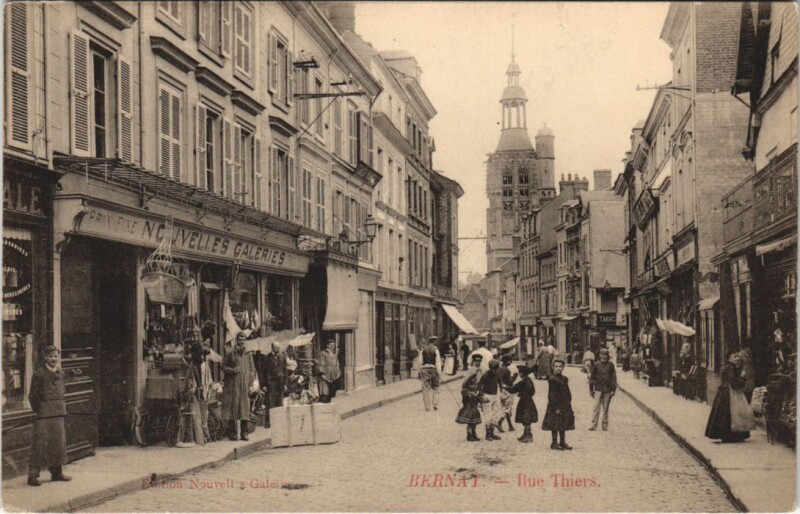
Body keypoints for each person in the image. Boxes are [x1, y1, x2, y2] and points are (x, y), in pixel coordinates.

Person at [27, 346, 71, 486]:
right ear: (45, 357)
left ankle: (56, 473)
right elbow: (33, 396)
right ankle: (33, 476)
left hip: (58, 412)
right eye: (50, 356)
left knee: (58, 444)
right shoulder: (39, 374)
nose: (53, 359)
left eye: (56, 356)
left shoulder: (61, 373)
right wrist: (40, 410)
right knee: (40, 445)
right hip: (44, 414)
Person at [706, 349, 753, 443]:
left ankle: (732, 435)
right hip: (729, 392)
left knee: (727, 414)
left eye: (737, 356)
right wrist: (742, 377)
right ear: (729, 358)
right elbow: (734, 382)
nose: (737, 358)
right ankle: (730, 436)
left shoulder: (728, 366)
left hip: (724, 391)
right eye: (734, 356)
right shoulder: (729, 368)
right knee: (730, 413)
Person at [222, 333, 256, 441]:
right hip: (233, 385)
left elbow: (252, 370)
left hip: (244, 385)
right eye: (240, 340)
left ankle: (244, 433)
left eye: (243, 340)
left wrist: (251, 384)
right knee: (233, 409)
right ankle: (233, 433)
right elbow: (223, 366)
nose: (241, 342)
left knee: (244, 409)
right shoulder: (230, 352)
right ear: (236, 340)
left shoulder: (248, 354)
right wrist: (232, 370)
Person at [542, 359, 574, 450]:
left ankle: (562, 442)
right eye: (556, 367)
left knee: (563, 423)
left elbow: (567, 391)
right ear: (553, 367)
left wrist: (568, 402)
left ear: (563, 367)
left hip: (564, 404)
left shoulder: (565, 378)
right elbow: (551, 394)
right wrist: (556, 407)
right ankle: (554, 442)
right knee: (555, 423)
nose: (558, 368)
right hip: (555, 405)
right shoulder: (552, 379)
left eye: (560, 366)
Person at [505, 365, 538, 443]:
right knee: (527, 418)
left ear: (522, 373)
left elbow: (513, 389)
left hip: (524, 402)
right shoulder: (529, 380)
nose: (519, 374)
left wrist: (505, 387)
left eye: (520, 372)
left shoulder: (522, 382)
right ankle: (525, 434)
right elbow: (533, 391)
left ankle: (528, 436)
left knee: (526, 418)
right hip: (529, 401)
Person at [456, 355, 485, 441]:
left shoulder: (480, 371)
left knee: (475, 415)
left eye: (479, 361)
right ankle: (469, 435)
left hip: (475, 396)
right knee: (470, 416)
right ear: (473, 362)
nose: (478, 363)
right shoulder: (471, 371)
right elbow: (464, 384)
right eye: (477, 361)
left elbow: (479, 384)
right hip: (469, 397)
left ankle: (474, 433)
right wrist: (468, 393)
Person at [589, 348, 617, 431]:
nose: (604, 357)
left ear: (608, 356)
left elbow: (613, 378)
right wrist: (591, 389)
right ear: (599, 355)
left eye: (605, 355)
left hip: (608, 389)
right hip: (598, 388)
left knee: (605, 408)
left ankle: (604, 425)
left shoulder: (611, 365)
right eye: (602, 354)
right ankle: (593, 424)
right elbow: (592, 377)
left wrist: (613, 389)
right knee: (596, 407)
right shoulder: (596, 365)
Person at [261, 341, 288, 427]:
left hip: (280, 383)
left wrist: (285, 384)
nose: (278, 349)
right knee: (270, 403)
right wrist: (263, 385)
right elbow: (262, 372)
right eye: (277, 348)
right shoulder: (266, 358)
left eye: (279, 348)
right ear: (272, 348)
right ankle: (268, 422)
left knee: (279, 402)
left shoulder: (282, 358)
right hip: (270, 384)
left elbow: (286, 371)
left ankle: (279, 421)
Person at [479, 359, 503, 441]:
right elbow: (479, 386)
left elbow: (500, 383)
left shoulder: (497, 374)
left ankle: (492, 432)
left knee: (496, 414)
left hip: (495, 395)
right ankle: (488, 434)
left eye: (496, 369)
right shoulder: (485, 375)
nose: (494, 371)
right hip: (487, 396)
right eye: (493, 369)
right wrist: (482, 396)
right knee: (488, 415)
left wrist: (502, 389)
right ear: (490, 368)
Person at [496, 354, 517, 432]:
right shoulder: (506, 370)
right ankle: (499, 422)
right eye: (510, 360)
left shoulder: (499, 369)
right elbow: (510, 382)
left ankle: (510, 426)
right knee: (508, 408)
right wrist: (514, 376)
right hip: (507, 390)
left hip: (501, 389)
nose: (511, 362)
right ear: (508, 361)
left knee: (505, 408)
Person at [419, 338, 441, 411]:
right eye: (436, 341)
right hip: (433, 369)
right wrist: (439, 372)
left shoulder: (423, 350)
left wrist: (420, 371)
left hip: (424, 369)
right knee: (436, 387)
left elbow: (420, 361)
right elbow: (438, 362)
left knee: (425, 388)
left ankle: (427, 407)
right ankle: (435, 404)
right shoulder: (436, 350)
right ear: (434, 342)